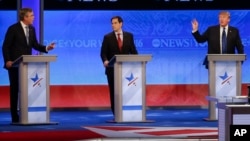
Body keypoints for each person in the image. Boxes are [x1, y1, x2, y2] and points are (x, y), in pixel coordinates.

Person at [2, 8, 55, 123]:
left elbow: (35, 44)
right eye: (31, 15)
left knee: (27, 90)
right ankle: (15, 117)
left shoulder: (32, 29)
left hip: (27, 65)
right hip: (15, 65)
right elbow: (5, 46)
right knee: (15, 90)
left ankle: (27, 114)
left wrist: (46, 48)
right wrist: (7, 61)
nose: (33, 17)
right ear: (24, 17)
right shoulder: (13, 29)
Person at [100, 16, 138, 115]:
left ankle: (127, 112)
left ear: (121, 24)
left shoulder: (129, 36)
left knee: (127, 91)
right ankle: (116, 113)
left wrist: (137, 62)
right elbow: (103, 53)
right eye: (112, 23)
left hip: (127, 70)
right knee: (114, 92)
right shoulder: (107, 37)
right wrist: (105, 61)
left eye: (115, 23)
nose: (113, 25)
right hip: (112, 70)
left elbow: (133, 51)